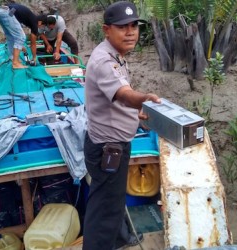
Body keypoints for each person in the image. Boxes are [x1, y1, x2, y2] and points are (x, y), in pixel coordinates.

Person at [82, 1, 161, 250]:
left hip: (112, 144)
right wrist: (142, 99)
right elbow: (124, 94)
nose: (130, 32)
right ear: (106, 30)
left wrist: (133, 112)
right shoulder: (104, 61)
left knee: (112, 202)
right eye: (122, 27)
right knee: (104, 211)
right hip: (108, 147)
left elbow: (114, 99)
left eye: (134, 26)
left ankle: (119, 239)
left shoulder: (115, 55)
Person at [0, 3, 39, 68]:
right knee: (21, 37)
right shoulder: (35, 22)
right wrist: (34, 57)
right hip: (8, 12)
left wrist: (21, 46)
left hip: (0, 10)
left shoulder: (27, 16)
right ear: (40, 22)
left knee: (10, 36)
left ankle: (12, 58)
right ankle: (15, 63)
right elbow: (33, 44)